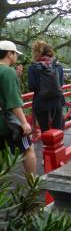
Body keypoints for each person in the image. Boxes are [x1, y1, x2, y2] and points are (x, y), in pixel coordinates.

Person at [0, 40, 36, 174]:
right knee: (28, 149)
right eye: (15, 54)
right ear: (9, 54)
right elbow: (13, 102)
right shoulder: (8, 72)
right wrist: (24, 122)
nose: (16, 57)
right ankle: (33, 185)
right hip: (7, 122)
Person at [28, 41, 65, 133]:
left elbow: (31, 87)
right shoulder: (57, 65)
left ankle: (46, 147)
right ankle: (59, 147)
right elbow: (60, 84)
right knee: (58, 130)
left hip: (41, 103)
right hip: (57, 101)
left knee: (45, 131)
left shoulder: (33, 67)